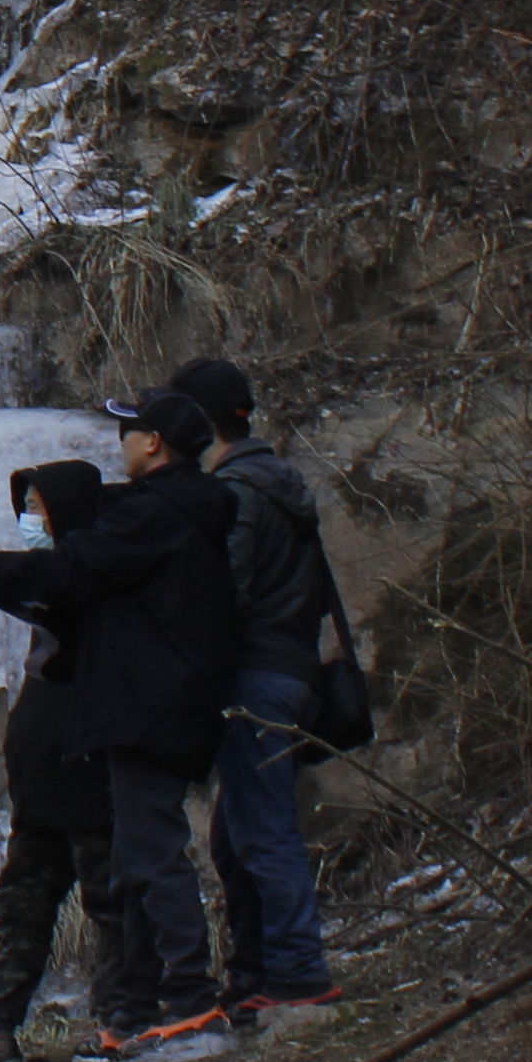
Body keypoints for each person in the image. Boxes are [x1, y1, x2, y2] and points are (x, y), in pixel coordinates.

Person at [0, 393, 242, 1062]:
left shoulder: (145, 524)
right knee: (117, 871)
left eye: (129, 430)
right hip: (107, 742)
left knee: (138, 870)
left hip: (128, 728)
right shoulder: (173, 518)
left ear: (155, 442)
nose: (122, 441)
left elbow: (62, 580)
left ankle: (180, 1003)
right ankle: (131, 1013)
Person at [171, 358, 342, 1018]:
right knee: (238, 831)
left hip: (256, 677)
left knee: (262, 830)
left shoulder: (238, 491)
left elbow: (225, 591)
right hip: (291, 669)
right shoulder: (282, 483)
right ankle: (255, 974)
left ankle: (298, 974)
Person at [0, 460, 119, 1057]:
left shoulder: (91, 574)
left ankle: (119, 1019)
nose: (30, 519)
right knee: (21, 902)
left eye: (38, 507)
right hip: (43, 780)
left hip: (89, 772)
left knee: (112, 902)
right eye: (25, 507)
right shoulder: (57, 576)